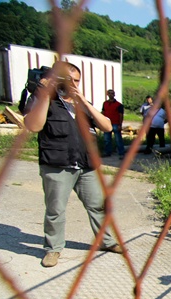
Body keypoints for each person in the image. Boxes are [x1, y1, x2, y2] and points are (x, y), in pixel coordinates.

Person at [23, 61, 124, 268]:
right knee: (56, 210)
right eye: (67, 79)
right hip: (58, 165)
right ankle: (53, 249)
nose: (72, 83)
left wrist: (84, 102)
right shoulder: (43, 98)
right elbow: (34, 125)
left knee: (98, 205)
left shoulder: (80, 103)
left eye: (76, 80)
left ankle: (106, 241)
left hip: (86, 164)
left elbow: (106, 127)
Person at [101, 89, 126, 159]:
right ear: (107, 94)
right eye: (109, 93)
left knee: (118, 139)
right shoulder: (105, 103)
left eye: (112, 93)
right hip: (106, 123)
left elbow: (121, 115)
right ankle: (107, 152)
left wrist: (120, 124)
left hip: (115, 123)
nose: (110, 95)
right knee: (107, 139)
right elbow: (103, 112)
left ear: (114, 95)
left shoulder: (119, 105)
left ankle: (121, 153)